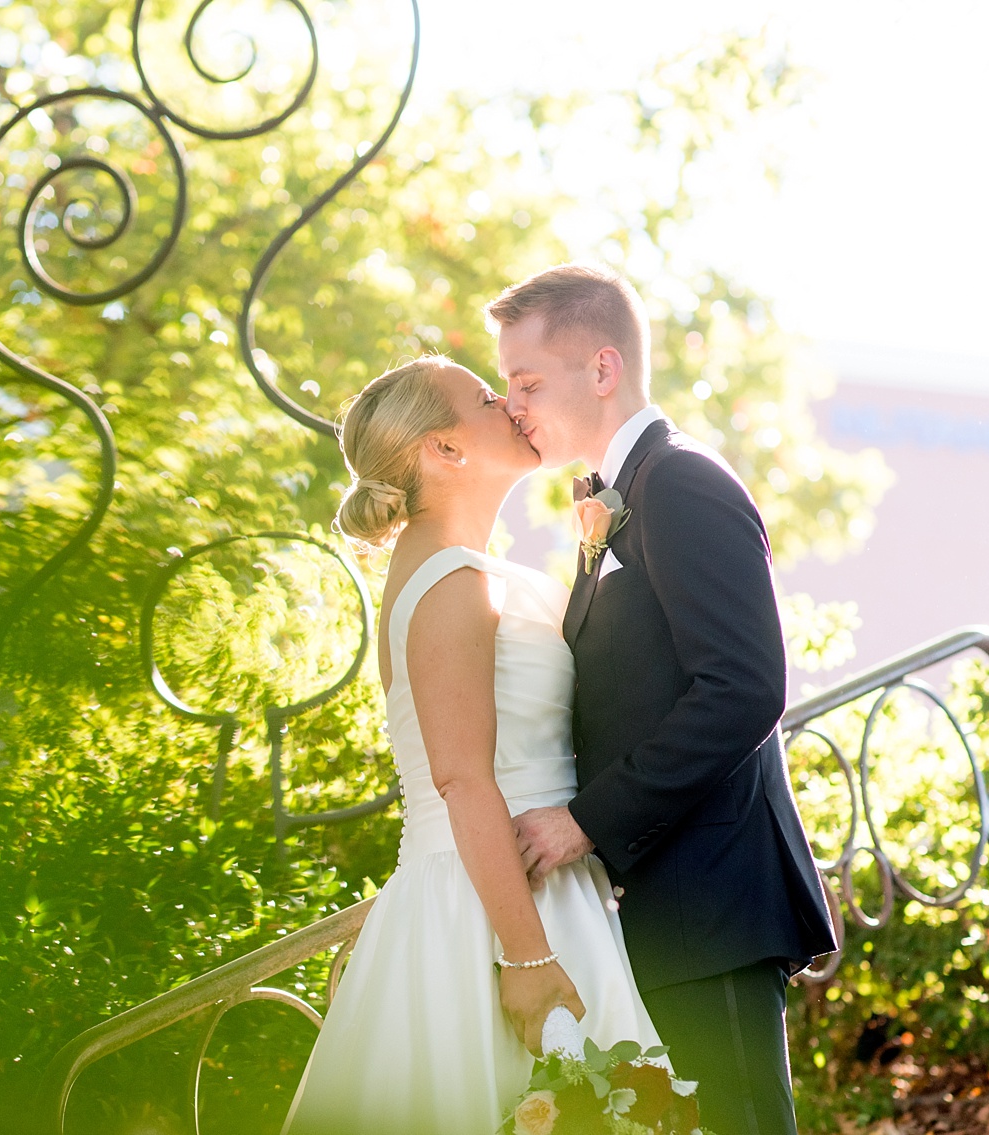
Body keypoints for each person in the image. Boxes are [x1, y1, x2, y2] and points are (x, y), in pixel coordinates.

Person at [494, 263, 838, 1135]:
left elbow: (745, 686)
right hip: (663, 904)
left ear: (602, 370)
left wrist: (587, 819)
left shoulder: (681, 483)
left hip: (713, 900)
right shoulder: (621, 495)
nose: (514, 404)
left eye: (528, 381)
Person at [282, 356, 662, 1135]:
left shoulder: (465, 570)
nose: (512, 406)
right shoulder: (450, 579)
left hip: (538, 881)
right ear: (443, 450)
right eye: (489, 399)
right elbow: (460, 779)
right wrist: (526, 957)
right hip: (490, 907)